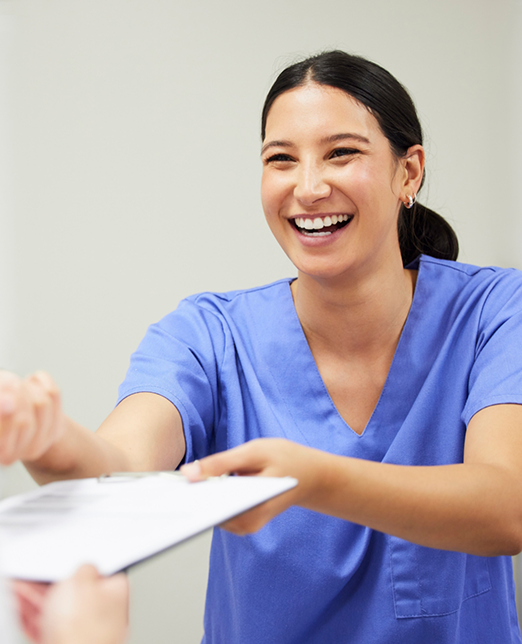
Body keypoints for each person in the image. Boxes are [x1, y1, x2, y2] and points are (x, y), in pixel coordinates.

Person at [0, 50, 522, 642]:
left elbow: (509, 504)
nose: (308, 186)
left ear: (409, 172)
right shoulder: (208, 334)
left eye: (341, 153)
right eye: (281, 160)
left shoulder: (496, 312)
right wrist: (50, 440)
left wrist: (312, 480)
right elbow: (118, 471)